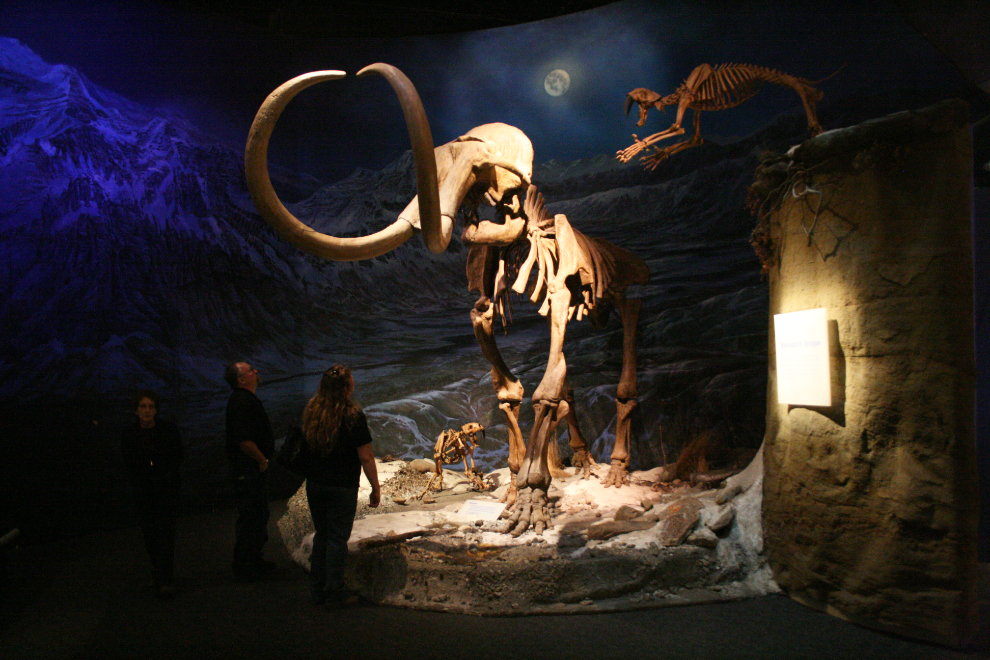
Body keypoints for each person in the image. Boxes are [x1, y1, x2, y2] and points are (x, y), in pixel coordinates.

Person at [296, 364, 380, 607]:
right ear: (346, 387)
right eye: (351, 380)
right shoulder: (352, 415)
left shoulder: (312, 411)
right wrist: (375, 486)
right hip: (341, 486)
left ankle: (317, 589)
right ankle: (334, 592)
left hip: (316, 484)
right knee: (336, 539)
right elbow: (365, 456)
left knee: (322, 535)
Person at [120, 390, 183, 599]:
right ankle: (159, 572)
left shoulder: (167, 430)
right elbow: (128, 462)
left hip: (165, 489)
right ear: (136, 411)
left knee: (165, 534)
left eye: (151, 407)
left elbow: (177, 456)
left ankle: (164, 578)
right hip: (144, 492)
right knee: (151, 535)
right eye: (143, 407)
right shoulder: (130, 434)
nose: (147, 411)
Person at [224, 361, 276, 580]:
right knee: (251, 516)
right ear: (241, 380)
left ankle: (253, 560)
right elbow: (243, 440)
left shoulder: (244, 400)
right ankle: (245, 567)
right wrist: (261, 458)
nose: (256, 372)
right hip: (248, 469)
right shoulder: (242, 402)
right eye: (250, 371)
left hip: (251, 468)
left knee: (256, 514)